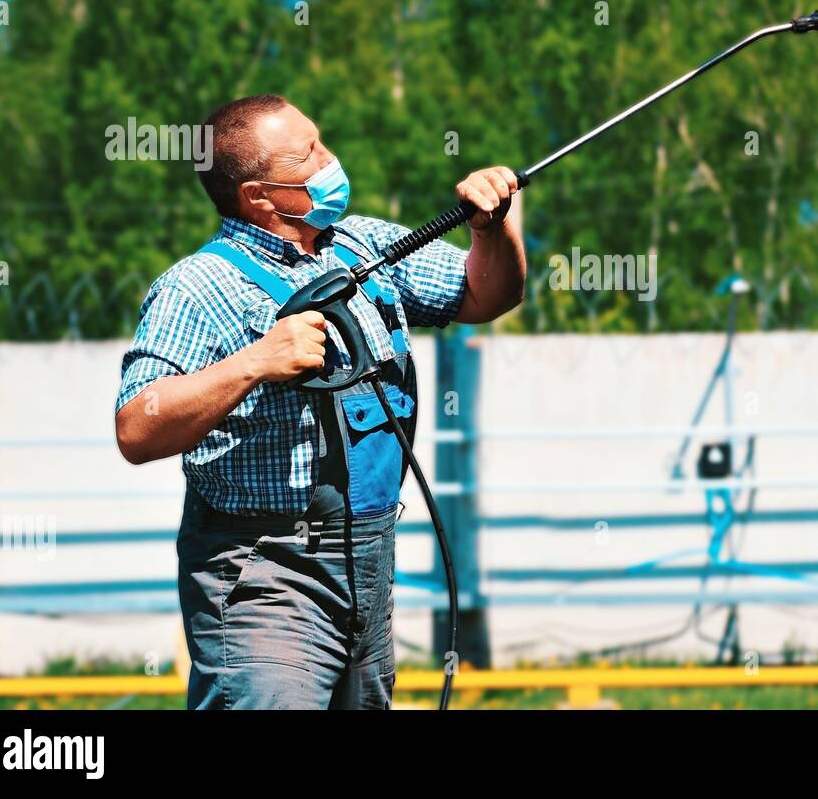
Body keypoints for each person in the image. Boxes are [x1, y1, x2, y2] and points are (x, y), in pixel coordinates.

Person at [114, 94, 526, 709]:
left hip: (368, 561)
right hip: (264, 574)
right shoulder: (196, 287)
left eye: (322, 140)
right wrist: (256, 361)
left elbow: (485, 296)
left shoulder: (361, 246)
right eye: (308, 153)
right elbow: (135, 429)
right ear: (258, 196)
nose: (331, 159)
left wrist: (489, 230)